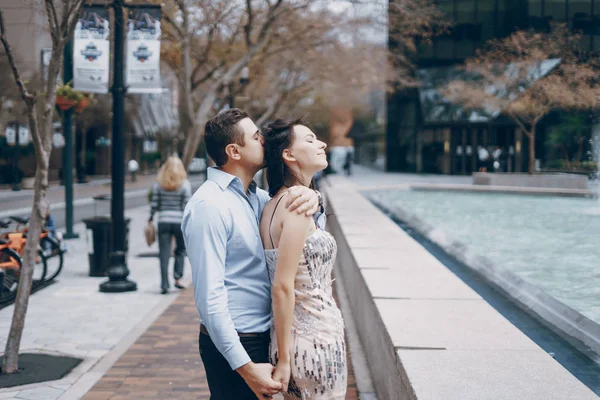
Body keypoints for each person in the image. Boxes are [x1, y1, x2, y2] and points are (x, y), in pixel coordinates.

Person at [182, 109, 322, 400]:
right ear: (234, 151)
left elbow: (302, 231)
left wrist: (313, 197)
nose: (264, 142)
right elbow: (209, 298)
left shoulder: (256, 198)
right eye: (257, 137)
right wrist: (244, 367)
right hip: (237, 343)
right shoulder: (209, 205)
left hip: (263, 337)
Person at [260, 118, 347, 399]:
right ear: (288, 154)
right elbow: (282, 286)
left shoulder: (273, 203)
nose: (322, 143)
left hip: (291, 339)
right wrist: (284, 360)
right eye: (309, 140)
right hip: (314, 343)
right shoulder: (297, 202)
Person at [149, 156, 191, 294]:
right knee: (180, 250)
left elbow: (154, 204)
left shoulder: (159, 184)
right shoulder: (184, 184)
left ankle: (164, 283)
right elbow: (187, 205)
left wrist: (150, 219)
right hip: (179, 222)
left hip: (163, 221)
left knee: (164, 253)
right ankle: (178, 278)